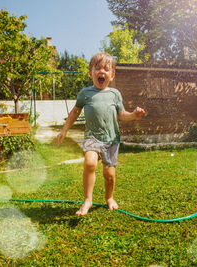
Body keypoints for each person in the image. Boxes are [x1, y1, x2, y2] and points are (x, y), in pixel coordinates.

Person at [57, 52, 145, 216]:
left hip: (111, 139)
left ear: (111, 75)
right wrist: (64, 130)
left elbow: (122, 114)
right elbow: (75, 111)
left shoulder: (115, 94)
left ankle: (109, 197)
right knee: (90, 163)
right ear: (91, 73)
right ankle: (87, 200)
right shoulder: (85, 93)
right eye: (97, 68)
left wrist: (134, 115)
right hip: (93, 137)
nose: (101, 71)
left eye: (106, 69)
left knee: (109, 174)